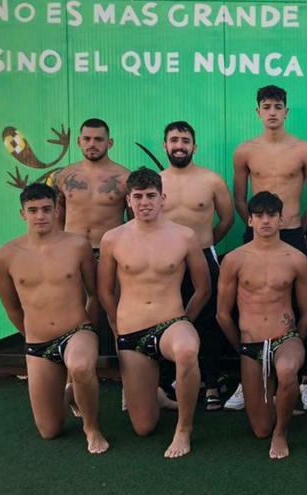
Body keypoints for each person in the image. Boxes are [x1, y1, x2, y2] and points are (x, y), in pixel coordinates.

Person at [98, 167, 211, 458]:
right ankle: (157, 396)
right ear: (128, 200)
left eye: (151, 195)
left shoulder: (184, 236)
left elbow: (203, 288)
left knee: (187, 349)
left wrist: (185, 321)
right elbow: (105, 291)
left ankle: (184, 429)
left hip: (170, 322)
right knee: (143, 427)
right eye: (138, 196)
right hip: (131, 330)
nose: (145, 202)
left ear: (163, 198)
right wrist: (116, 323)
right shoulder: (113, 238)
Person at [0, 183, 108, 454]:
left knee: (80, 366)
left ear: (57, 210)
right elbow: (12, 308)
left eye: (46, 209)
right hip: (38, 343)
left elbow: (94, 294)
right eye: (33, 210)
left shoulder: (77, 245)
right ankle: (70, 394)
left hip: (76, 330)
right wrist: (32, 336)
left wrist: (89, 330)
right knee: (49, 431)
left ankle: (91, 427)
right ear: (22, 213)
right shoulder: (5, 255)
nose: (40, 216)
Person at [232, 84, 307, 409]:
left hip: (294, 232)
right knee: (249, 302)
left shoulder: (304, 150)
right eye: (266, 106)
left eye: (277, 106)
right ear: (257, 112)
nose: (272, 112)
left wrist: (295, 229)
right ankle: (247, 380)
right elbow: (240, 199)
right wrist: (257, 228)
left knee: (303, 306)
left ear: (287, 111)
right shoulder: (245, 151)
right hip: (255, 237)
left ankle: (306, 379)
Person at [216, 191, 307, 459]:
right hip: (251, 344)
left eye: (271, 215)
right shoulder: (235, 259)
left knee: (287, 369)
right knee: (260, 428)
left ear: (281, 219)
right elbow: (222, 314)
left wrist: (296, 340)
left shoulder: (296, 258)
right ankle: (278, 401)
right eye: (259, 216)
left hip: (285, 338)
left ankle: (281, 433)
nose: (266, 221)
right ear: (250, 220)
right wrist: (241, 348)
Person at [160, 121, 234, 411]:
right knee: (167, 318)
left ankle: (212, 382)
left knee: (208, 320)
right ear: (165, 145)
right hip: (165, 262)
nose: (179, 145)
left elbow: (227, 219)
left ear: (194, 146)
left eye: (185, 140)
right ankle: (169, 383)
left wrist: (205, 244)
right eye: (174, 140)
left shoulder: (211, 180)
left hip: (203, 256)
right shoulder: (156, 182)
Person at [53, 118, 130, 262]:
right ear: (79, 141)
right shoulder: (65, 175)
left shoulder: (124, 177)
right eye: (87, 139)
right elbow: (57, 217)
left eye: (98, 139)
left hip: (108, 251)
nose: (92, 144)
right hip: (71, 249)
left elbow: (134, 222)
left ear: (110, 143)